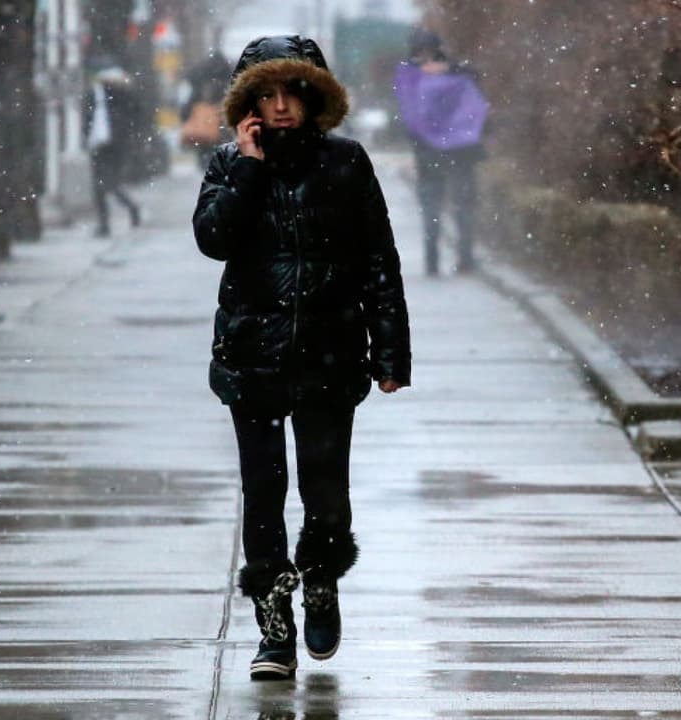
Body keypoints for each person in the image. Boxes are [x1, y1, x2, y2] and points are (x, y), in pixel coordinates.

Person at [193, 35, 411, 681]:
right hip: (252, 357)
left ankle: (320, 583)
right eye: (267, 95)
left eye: (292, 93)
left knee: (326, 494)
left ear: (315, 96)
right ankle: (273, 628)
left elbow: (379, 260)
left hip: (329, 351)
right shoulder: (232, 162)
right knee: (262, 496)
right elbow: (213, 240)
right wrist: (251, 165)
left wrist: (390, 351)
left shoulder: (345, 161)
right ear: (249, 104)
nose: (282, 107)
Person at [394, 28, 489, 275]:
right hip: (451, 152)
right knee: (446, 206)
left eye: (430, 56)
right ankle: (445, 258)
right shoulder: (417, 76)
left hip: (438, 153)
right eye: (420, 57)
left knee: (444, 205)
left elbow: (411, 116)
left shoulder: (416, 75)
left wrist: (450, 70)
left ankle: (449, 259)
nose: (426, 63)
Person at [82, 67, 141, 238]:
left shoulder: (96, 95)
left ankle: (105, 223)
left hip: (101, 143)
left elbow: (88, 119)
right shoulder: (125, 95)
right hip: (116, 144)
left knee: (102, 185)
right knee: (110, 183)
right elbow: (135, 118)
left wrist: (87, 134)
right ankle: (129, 209)